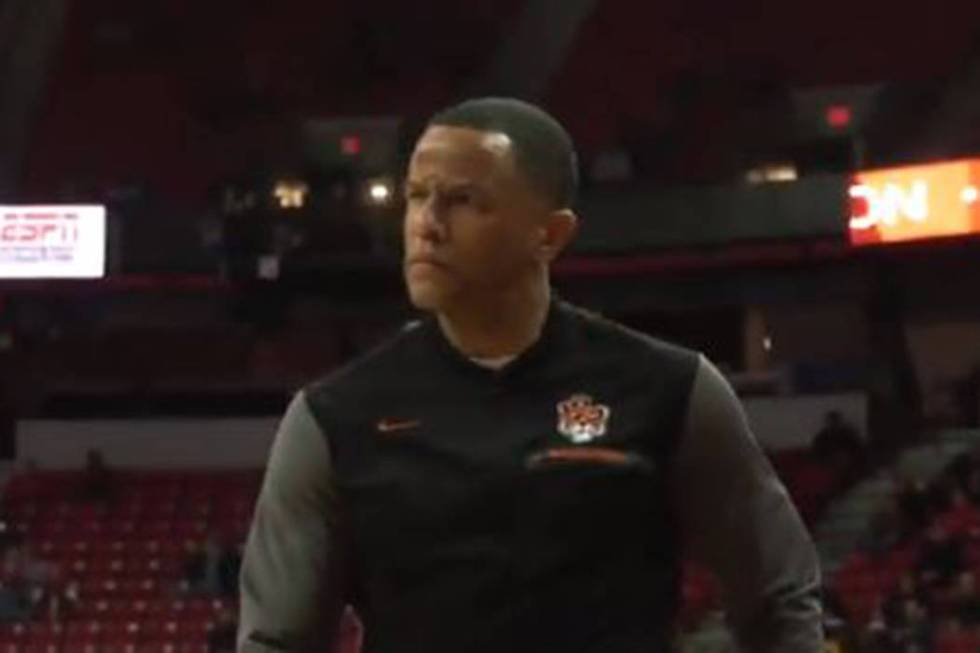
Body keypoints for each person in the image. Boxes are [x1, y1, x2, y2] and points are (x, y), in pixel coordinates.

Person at [238, 98, 823, 653]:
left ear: (550, 234)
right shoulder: (335, 417)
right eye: (417, 197)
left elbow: (777, 595)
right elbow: (276, 641)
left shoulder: (670, 388)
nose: (427, 225)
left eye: (465, 201)